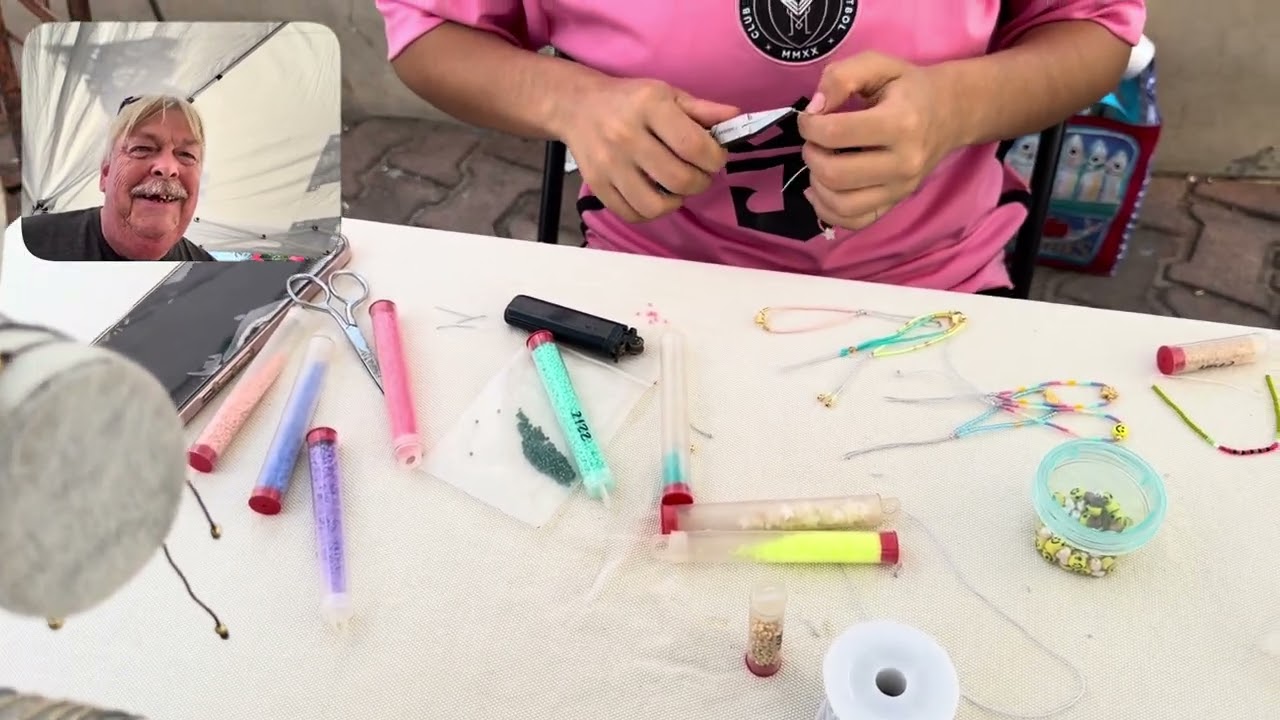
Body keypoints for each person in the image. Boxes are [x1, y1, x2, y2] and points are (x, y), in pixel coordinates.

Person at [377, 1, 1146, 293]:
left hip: (938, 279)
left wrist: (956, 106)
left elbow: (1093, 26)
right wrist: (570, 100)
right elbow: (425, 26)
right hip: (655, 275)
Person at [22, 94, 215, 261]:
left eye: (187, 155)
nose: (167, 168)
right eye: (142, 148)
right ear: (106, 173)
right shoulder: (23, 245)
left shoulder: (214, 280)